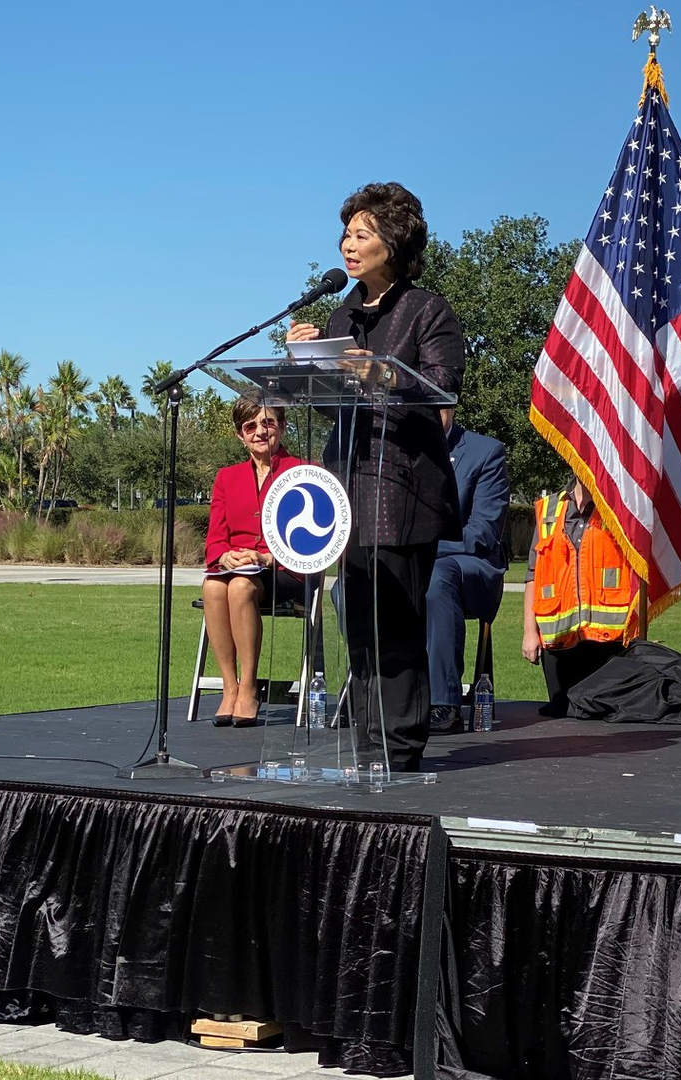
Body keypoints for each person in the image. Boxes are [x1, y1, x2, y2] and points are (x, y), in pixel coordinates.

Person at [287, 182, 464, 773]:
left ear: (394, 241)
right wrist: (305, 363)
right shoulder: (341, 314)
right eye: (346, 234)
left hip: (403, 488)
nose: (348, 244)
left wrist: (384, 375)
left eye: (361, 234)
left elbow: (442, 394)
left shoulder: (428, 310)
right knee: (358, 620)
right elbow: (329, 406)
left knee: (396, 621)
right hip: (348, 485)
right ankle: (366, 743)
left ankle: (401, 746)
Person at [202, 397, 304, 728]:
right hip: (239, 568)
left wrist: (268, 557)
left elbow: (312, 542)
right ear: (240, 435)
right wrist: (225, 555)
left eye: (268, 423)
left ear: (282, 427)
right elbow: (215, 539)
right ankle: (229, 687)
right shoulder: (226, 478)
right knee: (213, 586)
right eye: (250, 426)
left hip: (286, 570)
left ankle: (248, 686)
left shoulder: (303, 471)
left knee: (240, 587)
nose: (260, 431)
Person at [522, 476, 644, 718]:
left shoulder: (621, 507)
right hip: (558, 644)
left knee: (604, 718)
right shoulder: (548, 509)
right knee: (563, 718)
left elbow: (639, 570)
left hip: (609, 644)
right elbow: (533, 574)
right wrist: (529, 632)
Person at [426, 408, 510, 735]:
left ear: (452, 405)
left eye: (438, 404)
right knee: (352, 584)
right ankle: (369, 693)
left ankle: (442, 703)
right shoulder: (400, 453)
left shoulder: (485, 452)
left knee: (437, 576)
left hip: (472, 566)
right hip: (420, 562)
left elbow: (482, 533)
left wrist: (420, 550)